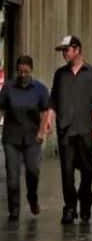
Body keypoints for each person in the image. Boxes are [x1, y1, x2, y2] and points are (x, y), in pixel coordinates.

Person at [47, 35, 92, 224]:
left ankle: (85, 204)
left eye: (66, 50)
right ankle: (70, 207)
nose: (64, 53)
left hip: (86, 130)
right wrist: (49, 118)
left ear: (77, 49)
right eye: (62, 50)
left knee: (87, 172)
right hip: (66, 130)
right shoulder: (60, 74)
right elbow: (53, 100)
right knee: (67, 172)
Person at [0, 55, 50, 220]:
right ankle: (14, 210)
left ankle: (32, 197)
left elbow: (45, 112)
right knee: (13, 177)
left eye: (26, 72)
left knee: (32, 170)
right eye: (20, 72)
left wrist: (42, 132)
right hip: (11, 137)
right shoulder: (8, 88)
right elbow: (2, 108)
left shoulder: (39, 89)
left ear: (31, 71)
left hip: (32, 137)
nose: (22, 75)